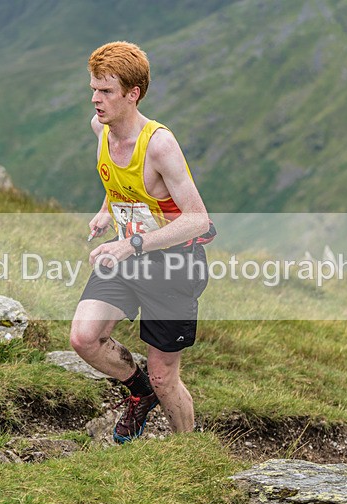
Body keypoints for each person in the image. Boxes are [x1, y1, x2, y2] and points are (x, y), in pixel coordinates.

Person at [70, 41, 214, 444]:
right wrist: (106, 209)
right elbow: (123, 183)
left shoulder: (159, 145)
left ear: (133, 94)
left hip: (174, 265)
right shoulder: (101, 127)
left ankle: (190, 450)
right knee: (84, 338)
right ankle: (139, 391)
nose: (95, 99)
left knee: (165, 376)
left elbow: (197, 219)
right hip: (130, 253)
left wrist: (129, 245)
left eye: (106, 91)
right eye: (94, 89)